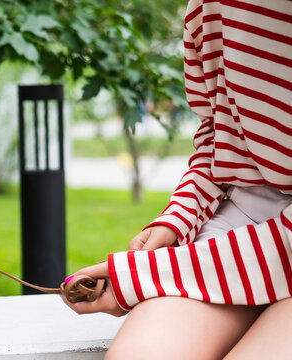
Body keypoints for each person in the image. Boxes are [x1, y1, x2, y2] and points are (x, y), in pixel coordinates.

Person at [61, 0, 292, 358]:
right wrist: (179, 217)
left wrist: (147, 275)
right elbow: (219, 136)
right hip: (244, 222)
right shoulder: (206, 6)